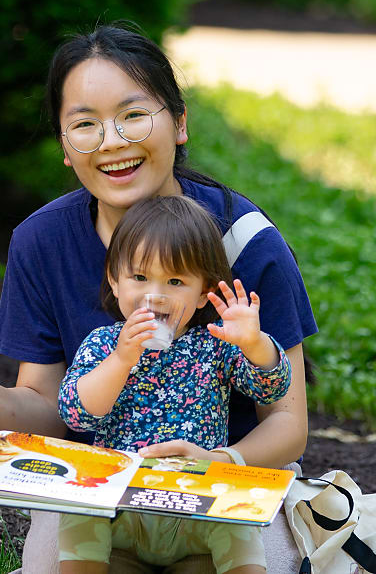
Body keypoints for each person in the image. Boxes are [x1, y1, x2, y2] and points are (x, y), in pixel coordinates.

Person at [0, 24, 317, 573]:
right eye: (85, 124)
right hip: (101, 491)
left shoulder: (243, 241)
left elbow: (288, 424)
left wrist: (221, 460)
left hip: (228, 486)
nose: (112, 142)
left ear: (178, 123)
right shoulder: (43, 241)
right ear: (63, 145)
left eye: (133, 115)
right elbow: (54, 413)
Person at [57, 194, 291, 574]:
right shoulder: (103, 344)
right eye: (139, 277)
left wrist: (254, 343)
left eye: (176, 280)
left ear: (202, 294)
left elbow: (271, 388)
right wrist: (120, 361)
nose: (156, 294)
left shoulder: (214, 345)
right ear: (115, 281)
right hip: (122, 510)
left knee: (238, 518)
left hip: (196, 510)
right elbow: (76, 414)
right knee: (80, 509)